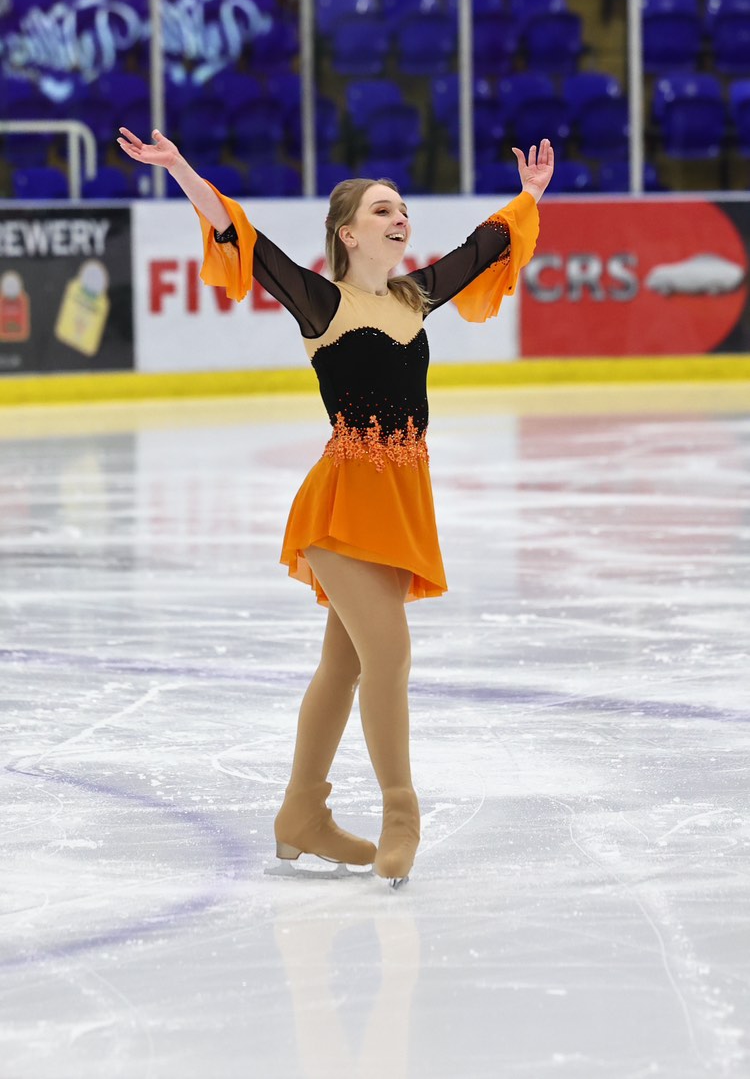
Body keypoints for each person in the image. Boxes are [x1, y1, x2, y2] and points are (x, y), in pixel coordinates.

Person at [117, 124, 554, 888]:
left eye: (403, 208)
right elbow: (237, 236)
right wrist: (182, 167)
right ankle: (400, 813)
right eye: (384, 210)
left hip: (401, 498)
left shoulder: (415, 296)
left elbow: (486, 249)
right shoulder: (322, 301)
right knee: (388, 653)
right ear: (348, 233)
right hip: (342, 500)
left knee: (343, 664)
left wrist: (530, 197)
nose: (400, 218)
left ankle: (302, 814)